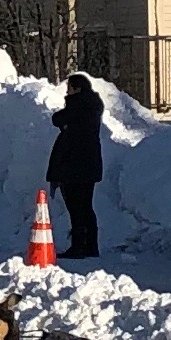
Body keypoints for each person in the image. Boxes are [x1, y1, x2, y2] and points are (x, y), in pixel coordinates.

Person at [46, 72, 105, 259]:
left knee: (76, 207)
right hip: (89, 164)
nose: (67, 92)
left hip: (74, 166)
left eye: (69, 88)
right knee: (86, 206)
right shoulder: (93, 106)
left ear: (76, 89)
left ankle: (79, 246)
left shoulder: (77, 105)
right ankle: (91, 245)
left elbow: (58, 118)